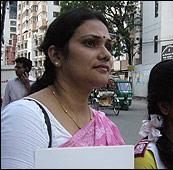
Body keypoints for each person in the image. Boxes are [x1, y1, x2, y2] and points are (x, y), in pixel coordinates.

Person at [1, 8, 125, 169]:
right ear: (56, 55)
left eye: (108, 46)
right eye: (90, 43)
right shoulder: (25, 117)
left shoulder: (104, 124)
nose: (106, 54)